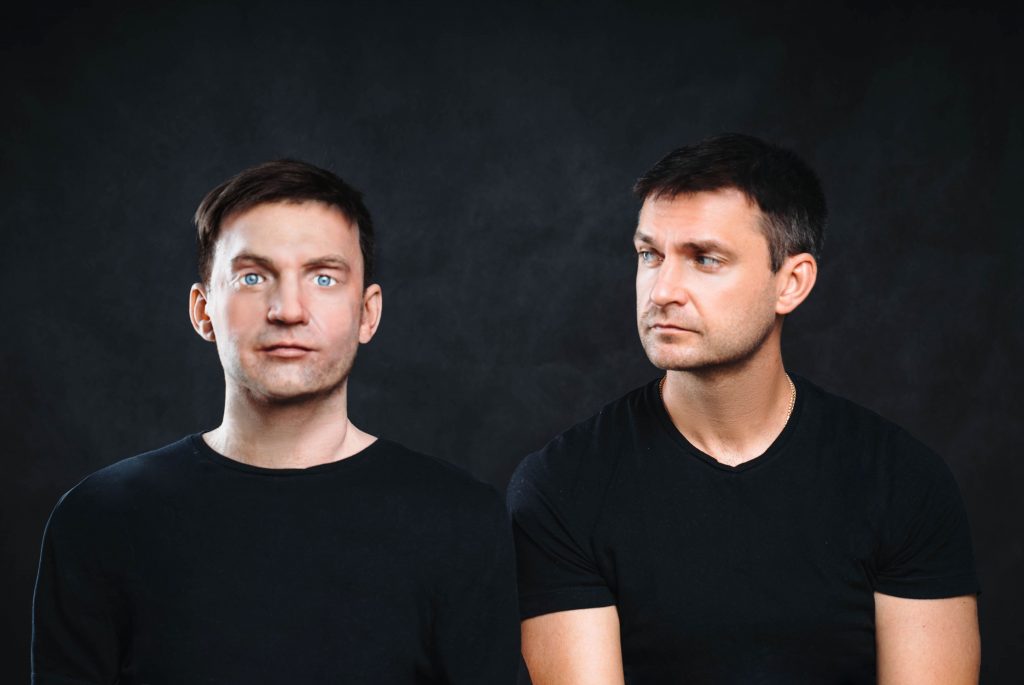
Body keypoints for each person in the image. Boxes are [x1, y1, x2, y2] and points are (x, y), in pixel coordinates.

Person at [507, 134, 980, 684]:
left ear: (791, 283)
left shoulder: (902, 481)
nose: (662, 291)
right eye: (650, 255)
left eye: (705, 259)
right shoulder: (562, 486)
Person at [32, 160, 520, 684]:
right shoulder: (100, 518)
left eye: (324, 277)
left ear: (368, 313)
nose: (288, 310)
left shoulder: (460, 520)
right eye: (253, 277)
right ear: (203, 310)